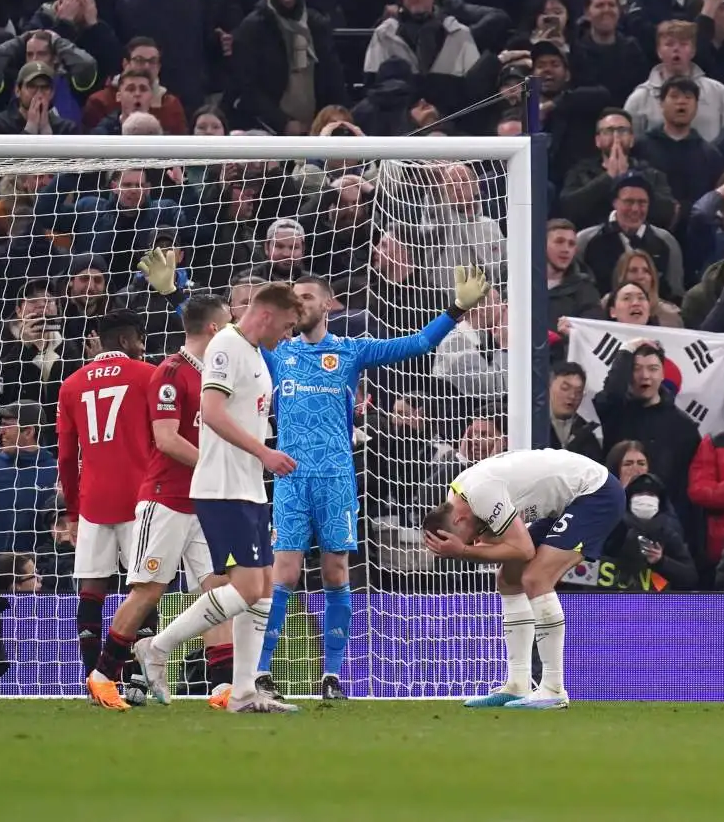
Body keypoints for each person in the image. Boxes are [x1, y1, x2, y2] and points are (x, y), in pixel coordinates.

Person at [252, 267, 489, 701]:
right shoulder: (276, 354)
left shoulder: (350, 352)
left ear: (327, 304)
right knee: (282, 575)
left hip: (338, 480)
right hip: (291, 480)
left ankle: (332, 676)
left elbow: (417, 345)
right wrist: (179, 294)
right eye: (293, 298)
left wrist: (456, 310)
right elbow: (225, 339)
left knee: (335, 572)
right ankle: (262, 672)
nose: (298, 304)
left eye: (307, 297)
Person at [133, 282, 303, 713]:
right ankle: (156, 648)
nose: (287, 334)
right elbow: (211, 412)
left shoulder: (253, 353)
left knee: (263, 587)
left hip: (246, 486)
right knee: (245, 587)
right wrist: (264, 451)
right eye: (286, 326)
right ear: (265, 315)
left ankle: (243, 691)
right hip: (222, 486)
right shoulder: (226, 347)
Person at [84, 297, 234, 711]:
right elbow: (167, 440)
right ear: (214, 330)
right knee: (148, 591)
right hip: (165, 501)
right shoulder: (170, 372)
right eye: (229, 322)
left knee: (219, 591)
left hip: (205, 503)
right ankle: (103, 675)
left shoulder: (217, 375)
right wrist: (215, 466)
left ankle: (222, 686)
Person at [421, 449, 627, 710]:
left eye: (465, 538)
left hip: (596, 493)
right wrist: (466, 547)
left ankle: (553, 689)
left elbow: (523, 550)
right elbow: (495, 544)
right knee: (509, 578)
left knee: (535, 576)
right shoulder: (459, 500)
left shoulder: (480, 495)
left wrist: (462, 551)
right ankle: (517, 685)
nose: (473, 542)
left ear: (458, 520)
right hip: (565, 503)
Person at [54, 311, 158, 702]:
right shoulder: (148, 375)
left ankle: (95, 682)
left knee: (92, 591)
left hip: (94, 501)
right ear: (130, 340)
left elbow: (66, 458)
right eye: (141, 341)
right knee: (144, 591)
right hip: (142, 498)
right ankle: (138, 682)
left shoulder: (71, 385)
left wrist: (73, 512)